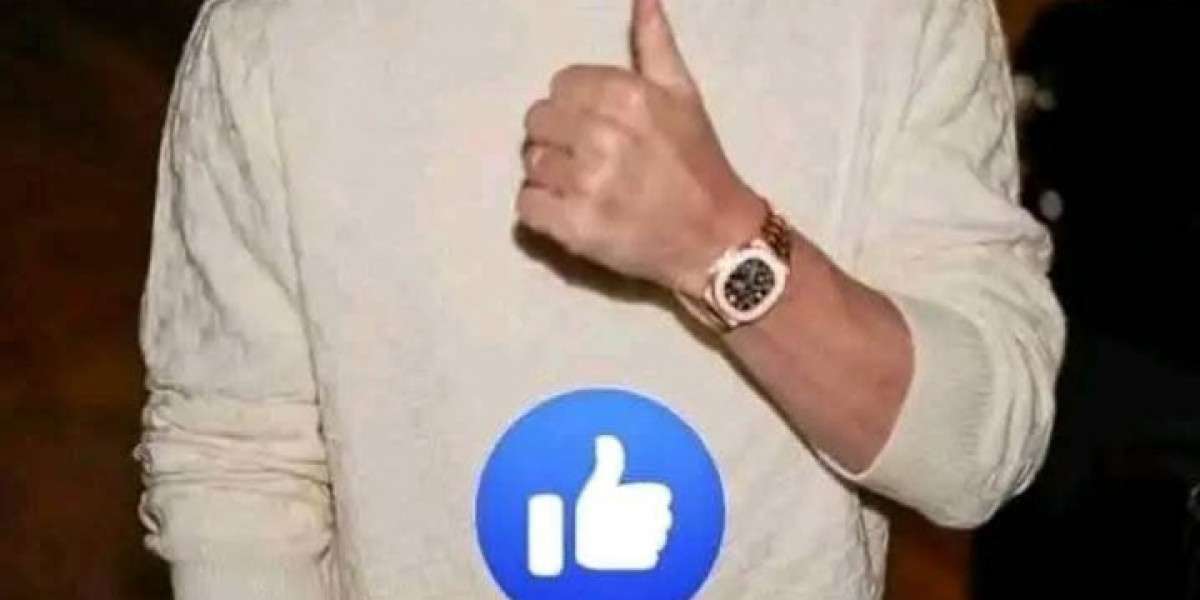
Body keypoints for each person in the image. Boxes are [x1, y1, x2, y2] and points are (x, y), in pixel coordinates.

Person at [134, 0, 1065, 598]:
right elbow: (238, 467)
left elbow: (977, 453)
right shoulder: (281, 31)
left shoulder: (894, 18)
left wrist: (721, 244)